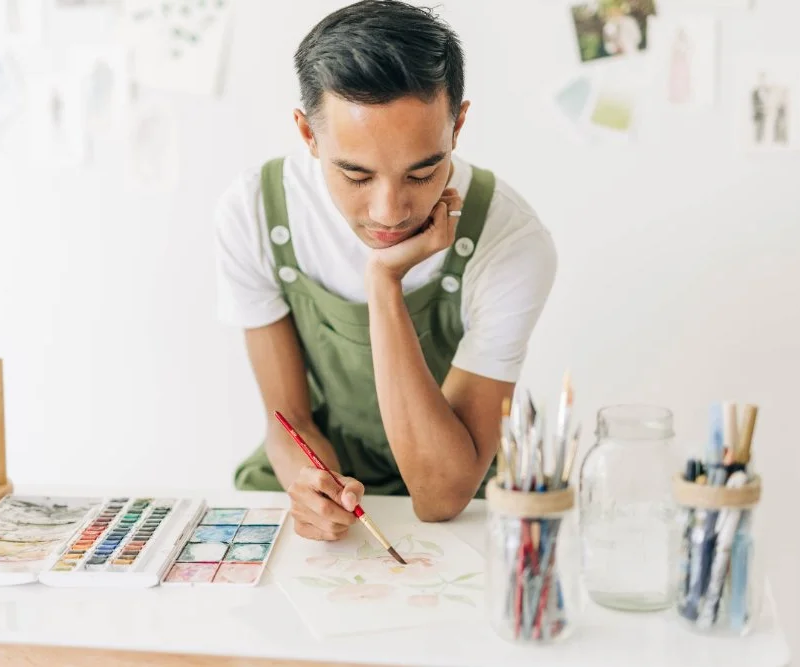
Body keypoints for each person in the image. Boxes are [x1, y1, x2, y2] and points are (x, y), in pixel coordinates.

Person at [214, 0, 557, 541]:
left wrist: (384, 283)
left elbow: (441, 492)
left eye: (423, 173)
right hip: (314, 498)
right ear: (307, 135)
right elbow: (290, 421)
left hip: (460, 507)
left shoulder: (510, 242)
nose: (389, 212)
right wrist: (311, 485)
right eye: (355, 176)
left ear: (458, 124)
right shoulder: (256, 212)